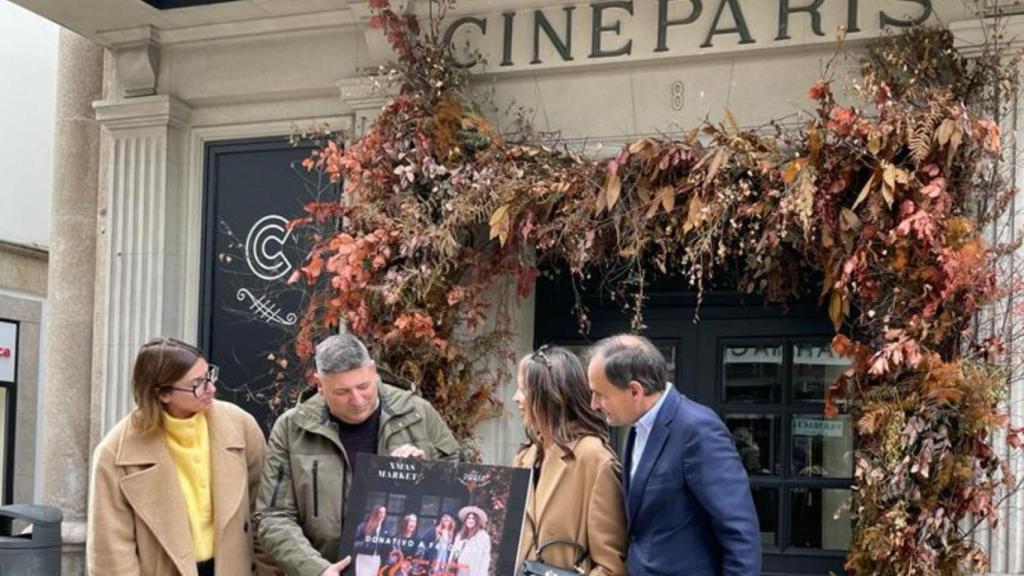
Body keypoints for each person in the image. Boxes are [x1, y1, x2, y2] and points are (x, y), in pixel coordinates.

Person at [255, 333, 461, 576]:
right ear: (319, 384)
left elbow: (461, 485)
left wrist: (427, 473)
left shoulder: (418, 414)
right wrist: (316, 570)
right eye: (342, 392)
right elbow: (273, 516)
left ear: (373, 370)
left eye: (363, 386)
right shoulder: (292, 428)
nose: (356, 399)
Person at [87, 337, 281, 576]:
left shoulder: (240, 425)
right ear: (163, 394)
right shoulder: (115, 453)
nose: (211, 388)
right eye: (197, 384)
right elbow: (111, 552)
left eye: (209, 376)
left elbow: (265, 510)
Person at [587, 334, 761, 576]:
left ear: (635, 391)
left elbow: (739, 531)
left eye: (600, 394)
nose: (594, 404)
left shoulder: (697, 429)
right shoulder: (637, 428)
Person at [511, 346, 627, 576]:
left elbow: (611, 567)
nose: (516, 398)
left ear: (551, 395)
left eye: (523, 389)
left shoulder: (593, 458)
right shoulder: (524, 457)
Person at [449, 507, 490, 576]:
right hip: (459, 570)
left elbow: (485, 558)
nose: (470, 520)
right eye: (468, 518)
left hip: (474, 571)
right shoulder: (460, 535)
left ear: (477, 521)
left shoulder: (483, 536)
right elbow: (453, 553)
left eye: (473, 519)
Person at [353, 505, 390, 576]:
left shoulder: (385, 529)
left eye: (384, 513)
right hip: (363, 557)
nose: (382, 515)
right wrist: (365, 544)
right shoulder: (364, 526)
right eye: (380, 513)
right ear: (375, 513)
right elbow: (355, 543)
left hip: (376, 558)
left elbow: (386, 546)